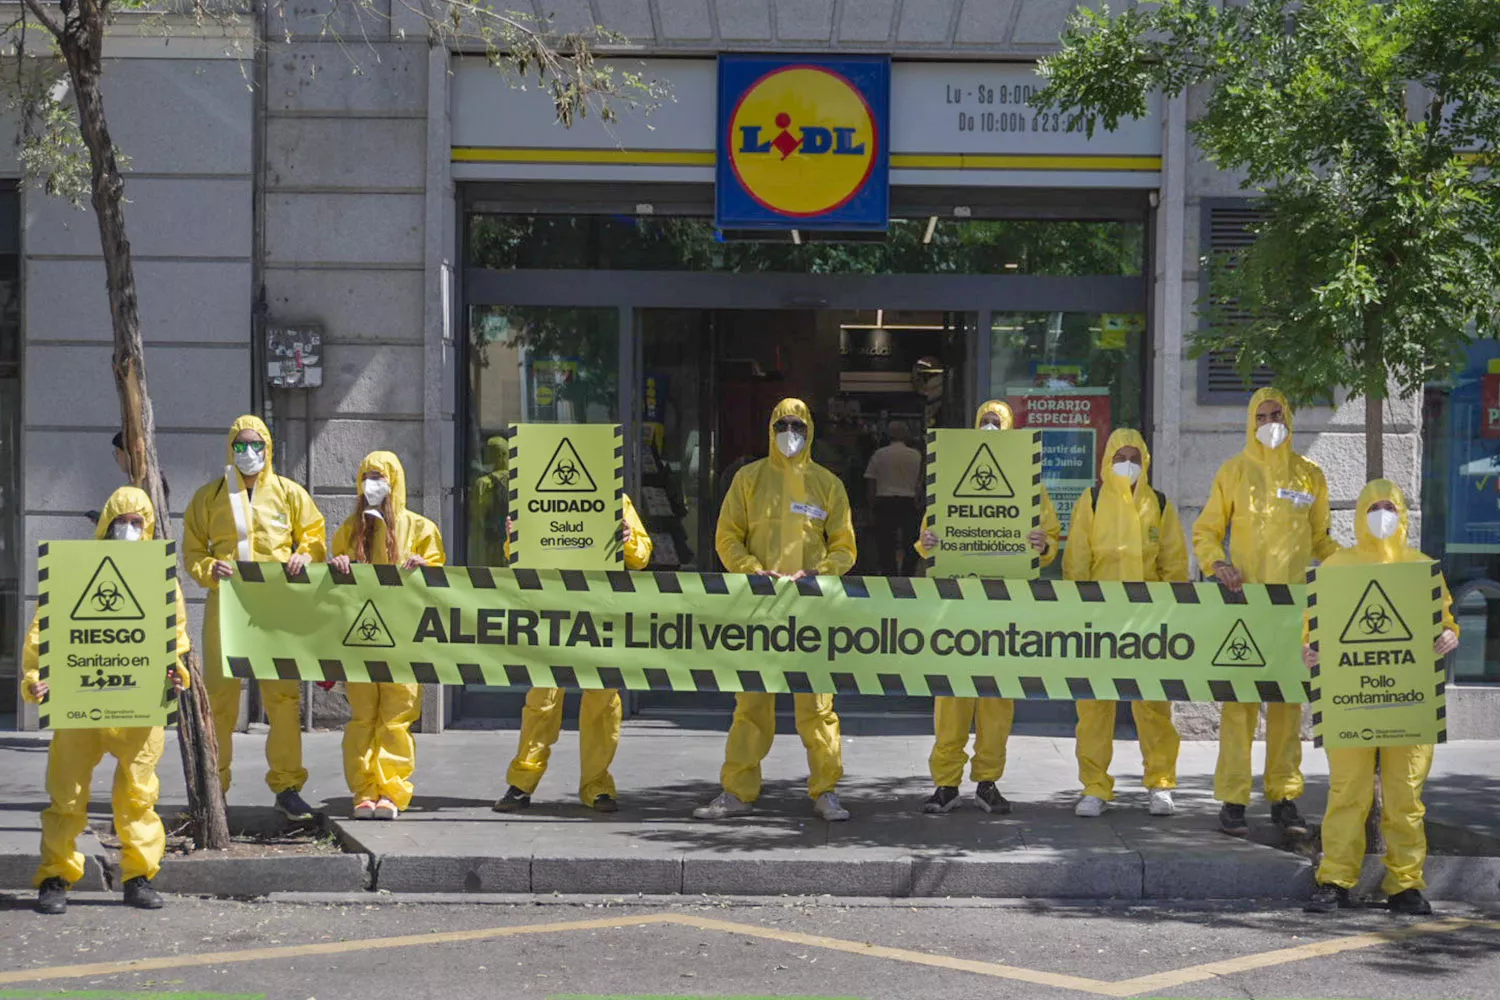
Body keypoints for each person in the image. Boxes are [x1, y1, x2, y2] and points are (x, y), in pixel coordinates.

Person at [26, 486, 191, 914]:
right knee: (66, 795)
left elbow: (175, 638)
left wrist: (177, 672)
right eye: (122, 522)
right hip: (79, 704)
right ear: (106, 524)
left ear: (149, 527)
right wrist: (35, 679)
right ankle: (55, 878)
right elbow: (42, 633)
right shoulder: (74, 573)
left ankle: (139, 877)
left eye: (138, 523)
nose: (130, 530)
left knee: (138, 796)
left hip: (139, 707)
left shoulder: (161, 579)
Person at [695, 398, 857, 822]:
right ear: (771, 428)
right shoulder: (748, 480)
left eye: (798, 426)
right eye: (784, 425)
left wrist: (820, 574)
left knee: (818, 707)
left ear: (810, 431)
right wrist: (751, 571)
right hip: (759, 608)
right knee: (750, 705)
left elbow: (844, 545)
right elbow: (727, 536)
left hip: (810, 611)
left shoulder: (828, 484)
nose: (791, 433)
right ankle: (736, 790)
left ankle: (826, 791)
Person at [1302, 480, 1457, 916]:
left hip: (1410, 701)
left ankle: (1405, 885)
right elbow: (1312, 625)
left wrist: (1449, 634)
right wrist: (1310, 648)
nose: (1382, 513)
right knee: (1347, 792)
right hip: (1350, 699)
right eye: (1375, 506)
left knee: (1405, 794)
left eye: (1390, 506)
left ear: (1403, 512)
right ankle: (1334, 879)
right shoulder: (1336, 567)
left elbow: (1445, 620)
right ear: (1360, 514)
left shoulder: (1422, 567)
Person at [1194, 387, 1336, 837]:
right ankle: (1234, 800)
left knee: (1287, 709)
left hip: (1294, 610)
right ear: (1250, 422)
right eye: (1262, 415)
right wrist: (1218, 565)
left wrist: (1355, 564)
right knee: (1239, 708)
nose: (1270, 422)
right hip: (1245, 605)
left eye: (1277, 414)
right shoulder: (1234, 472)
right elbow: (1207, 531)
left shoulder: (1309, 475)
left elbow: (1321, 541)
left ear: (1289, 418)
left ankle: (1285, 797)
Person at [916, 399, 1060, 814]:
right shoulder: (951, 477)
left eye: (997, 422)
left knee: (997, 702)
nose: (991, 427)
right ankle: (945, 784)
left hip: (1004, 607)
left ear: (1010, 427)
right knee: (952, 699)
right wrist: (926, 543)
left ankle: (987, 782)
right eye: (985, 421)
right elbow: (929, 531)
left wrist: (1042, 543)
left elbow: (1049, 533)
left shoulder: (1031, 485)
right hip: (958, 607)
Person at [184, 415, 327, 821]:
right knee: (220, 699)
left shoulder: (288, 493)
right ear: (230, 449)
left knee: (283, 698)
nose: (249, 453)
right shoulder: (209, 497)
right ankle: (216, 789)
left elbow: (314, 535)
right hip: (227, 606)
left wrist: (306, 554)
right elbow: (193, 550)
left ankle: (287, 787)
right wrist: (210, 569)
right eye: (241, 445)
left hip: (277, 607)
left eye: (256, 445)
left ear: (269, 448)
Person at [493, 493, 653, 813]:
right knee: (542, 700)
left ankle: (597, 784)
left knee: (603, 700)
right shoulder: (538, 493)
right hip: (552, 608)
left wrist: (628, 538)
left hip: (599, 610)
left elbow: (642, 555)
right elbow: (516, 557)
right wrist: (514, 539)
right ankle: (522, 782)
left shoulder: (614, 498)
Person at [1063, 429, 1187, 818]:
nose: (1127, 464)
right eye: (1120, 457)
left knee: (1153, 708)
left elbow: (1174, 564)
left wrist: (1173, 614)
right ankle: (1094, 787)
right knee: (1095, 709)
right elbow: (1077, 560)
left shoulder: (1160, 504)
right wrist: (1078, 611)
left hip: (1148, 622)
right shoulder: (1093, 500)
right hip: (1099, 621)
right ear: (1107, 461)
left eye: (1134, 456)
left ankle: (1161, 783)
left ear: (1145, 461)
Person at [329, 452, 445, 821]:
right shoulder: (351, 529)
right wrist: (339, 564)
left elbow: (441, 579)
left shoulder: (421, 528)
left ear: (395, 481)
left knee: (395, 718)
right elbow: (332, 576)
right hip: (361, 638)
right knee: (363, 716)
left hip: (404, 636)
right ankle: (364, 790)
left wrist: (425, 567)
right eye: (367, 476)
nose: (372, 484)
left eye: (380, 476)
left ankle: (392, 791)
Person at [863, 420, 923, 577]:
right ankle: (907, 573)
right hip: (908, 501)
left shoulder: (879, 454)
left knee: (885, 542)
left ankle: (889, 573)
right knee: (911, 542)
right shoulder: (915, 455)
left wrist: (871, 507)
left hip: (885, 501)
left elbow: (871, 481)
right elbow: (919, 482)